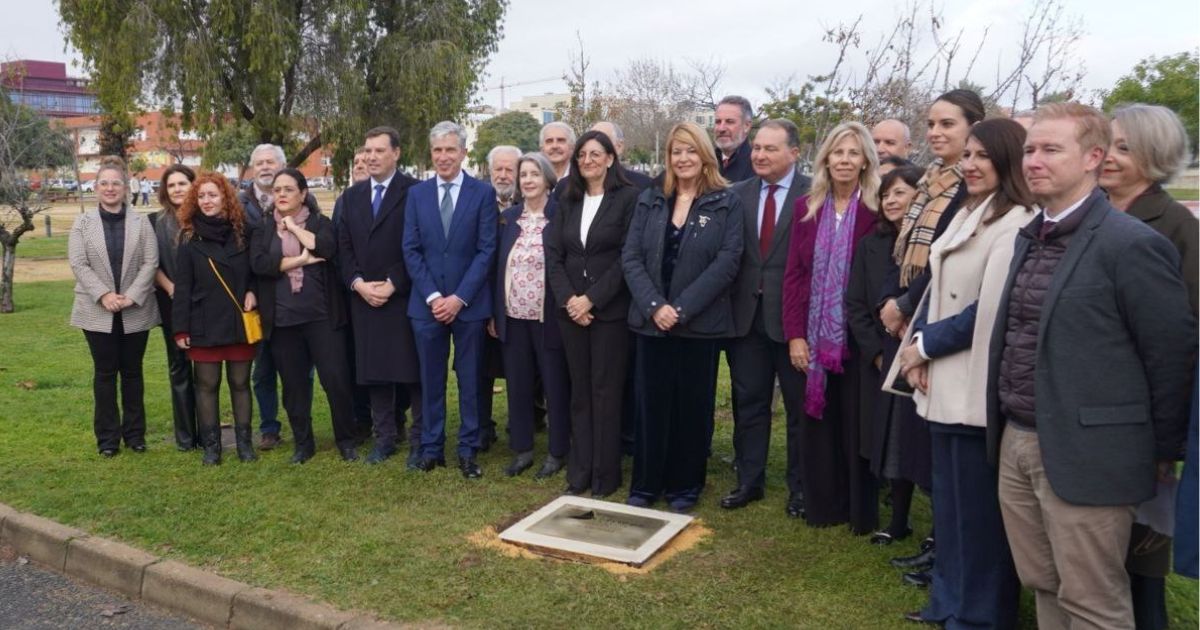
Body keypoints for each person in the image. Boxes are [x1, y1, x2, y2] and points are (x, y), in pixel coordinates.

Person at [988, 103, 1195, 629]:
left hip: (1092, 455)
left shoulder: (1132, 245)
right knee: (1044, 582)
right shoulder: (1030, 235)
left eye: (1051, 149)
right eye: (1031, 148)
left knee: (1093, 600)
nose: (1033, 160)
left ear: (1092, 158)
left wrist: (1160, 453)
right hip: (1017, 437)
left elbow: (1170, 355)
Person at [895, 119, 1033, 628]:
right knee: (950, 510)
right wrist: (919, 353)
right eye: (968, 155)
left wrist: (923, 346)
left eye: (983, 156)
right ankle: (947, 602)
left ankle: (981, 615)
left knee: (977, 516)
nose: (971, 165)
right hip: (940, 382)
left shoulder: (1017, 220)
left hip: (975, 388)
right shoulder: (971, 211)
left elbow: (987, 310)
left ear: (1007, 161)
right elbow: (938, 289)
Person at [1100, 103, 1198, 630]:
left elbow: (1183, 340)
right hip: (1090, 406)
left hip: (1141, 414)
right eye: (1107, 144)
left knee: (1143, 552)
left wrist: (1167, 442)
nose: (1108, 157)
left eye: (1123, 147)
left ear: (1154, 156)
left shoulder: (1175, 226)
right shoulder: (1092, 209)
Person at [622, 121, 743, 512]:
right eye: (677, 151)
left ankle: (684, 486)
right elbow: (632, 257)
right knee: (651, 405)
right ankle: (646, 483)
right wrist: (655, 306)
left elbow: (727, 263)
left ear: (704, 154)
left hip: (699, 326)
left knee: (691, 408)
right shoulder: (651, 198)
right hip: (651, 323)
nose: (683, 158)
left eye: (691, 150)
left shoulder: (726, 202)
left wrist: (682, 308)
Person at [781, 122, 880, 532]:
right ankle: (822, 504)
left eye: (853, 153)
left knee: (856, 423)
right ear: (825, 159)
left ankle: (858, 509)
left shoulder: (876, 211)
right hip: (813, 336)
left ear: (864, 162)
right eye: (838, 152)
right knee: (817, 423)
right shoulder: (808, 208)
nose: (844, 160)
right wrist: (796, 336)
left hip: (859, 337)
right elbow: (794, 276)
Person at [723, 119, 812, 516]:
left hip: (795, 321)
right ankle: (749, 480)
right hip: (746, 318)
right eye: (756, 148)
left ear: (794, 152)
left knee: (798, 407)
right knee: (750, 401)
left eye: (770, 149)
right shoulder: (737, 194)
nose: (759, 155)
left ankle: (801, 487)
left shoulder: (815, 193)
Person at [545, 130, 639, 497]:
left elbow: (627, 257)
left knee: (606, 391)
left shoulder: (629, 198)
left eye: (595, 154)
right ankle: (579, 473)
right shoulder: (566, 197)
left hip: (609, 313)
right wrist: (571, 299)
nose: (588, 160)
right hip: (570, 313)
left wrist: (592, 300)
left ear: (611, 158)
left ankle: (605, 476)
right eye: (582, 154)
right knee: (579, 393)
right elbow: (554, 255)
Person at [402, 121, 497, 479]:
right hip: (426, 306)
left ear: (463, 153)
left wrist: (459, 298)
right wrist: (433, 297)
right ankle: (431, 448)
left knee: (470, 379)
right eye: (438, 150)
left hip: (469, 305)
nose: (443, 157)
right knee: (430, 379)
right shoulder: (417, 195)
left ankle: (468, 449)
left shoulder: (482, 194)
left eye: (450, 150)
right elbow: (411, 250)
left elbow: (487, 250)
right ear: (432, 154)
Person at [249, 168, 359, 463]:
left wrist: (294, 228)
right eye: (277, 190)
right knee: (294, 386)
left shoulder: (320, 223)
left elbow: (324, 247)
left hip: (323, 317)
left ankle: (346, 440)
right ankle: (303, 443)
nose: (281, 195)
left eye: (288, 189)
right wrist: (298, 260)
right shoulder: (262, 228)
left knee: (336, 379)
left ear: (303, 193)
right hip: (283, 320)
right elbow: (260, 263)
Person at [846, 165, 930, 545]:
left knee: (926, 444)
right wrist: (878, 355)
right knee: (893, 440)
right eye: (886, 195)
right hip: (884, 356)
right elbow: (857, 304)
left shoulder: (930, 241)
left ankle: (938, 532)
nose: (893, 201)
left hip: (925, 354)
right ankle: (897, 520)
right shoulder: (873, 243)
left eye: (901, 192)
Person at [339, 127, 422, 465]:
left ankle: (420, 438)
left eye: (378, 151)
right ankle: (384, 437)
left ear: (396, 153)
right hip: (365, 296)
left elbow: (421, 243)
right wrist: (357, 283)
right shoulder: (351, 197)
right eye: (367, 151)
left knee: (412, 371)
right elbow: (343, 247)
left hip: (402, 296)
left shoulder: (416, 192)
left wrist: (393, 282)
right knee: (375, 373)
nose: (371, 157)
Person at [68, 156, 160, 457]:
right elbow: (79, 263)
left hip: (136, 307)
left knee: (133, 373)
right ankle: (108, 439)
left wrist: (132, 295)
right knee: (105, 374)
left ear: (126, 188)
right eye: (104, 183)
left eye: (116, 183)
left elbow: (150, 262)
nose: (110, 188)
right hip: (96, 310)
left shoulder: (142, 222)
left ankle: (135, 435)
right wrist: (104, 294)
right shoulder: (82, 223)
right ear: (96, 188)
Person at [489, 152, 571, 477]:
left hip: (548, 316)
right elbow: (497, 268)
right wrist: (496, 313)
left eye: (534, 174)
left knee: (554, 384)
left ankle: (557, 450)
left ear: (548, 179)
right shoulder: (509, 219)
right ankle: (522, 449)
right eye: (524, 175)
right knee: (518, 385)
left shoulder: (560, 216)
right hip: (513, 316)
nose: (527, 180)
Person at [880, 89, 986, 339]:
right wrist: (889, 300)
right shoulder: (925, 182)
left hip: (940, 315)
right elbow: (901, 250)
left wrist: (905, 304)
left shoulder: (975, 188)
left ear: (975, 128)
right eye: (931, 124)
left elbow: (948, 258)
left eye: (946, 124)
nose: (934, 133)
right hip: (902, 316)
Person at [172, 172, 261, 466]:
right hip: (203, 321)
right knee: (206, 385)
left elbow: (256, 272)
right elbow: (182, 287)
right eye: (201, 196)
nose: (207, 201)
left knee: (240, 382)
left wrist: (252, 291)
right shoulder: (188, 237)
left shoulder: (243, 232)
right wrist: (180, 328)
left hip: (238, 319)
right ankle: (212, 446)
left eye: (213, 195)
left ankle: (245, 444)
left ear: (225, 197)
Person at [239, 143, 317, 450]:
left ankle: (303, 423)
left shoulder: (307, 203)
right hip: (259, 297)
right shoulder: (240, 204)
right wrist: (247, 288)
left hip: (298, 299)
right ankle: (269, 426)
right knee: (263, 369)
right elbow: (240, 253)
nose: (264, 167)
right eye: (259, 163)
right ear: (253, 168)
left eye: (271, 161)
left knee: (301, 369)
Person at [151, 164, 199, 451]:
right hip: (170, 302)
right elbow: (150, 263)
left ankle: (207, 431)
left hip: (204, 305)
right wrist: (170, 287)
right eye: (172, 185)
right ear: (165, 191)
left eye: (183, 183)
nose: (178, 189)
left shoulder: (204, 218)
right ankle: (185, 437)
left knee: (205, 372)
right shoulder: (154, 222)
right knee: (179, 368)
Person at [330, 146, 374, 438]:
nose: (359, 165)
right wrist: (355, 281)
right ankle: (361, 418)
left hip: (386, 291)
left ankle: (392, 417)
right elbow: (338, 246)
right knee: (354, 359)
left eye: (364, 161)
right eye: (355, 161)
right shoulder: (344, 202)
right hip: (351, 293)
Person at [591, 121, 653, 189]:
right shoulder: (580, 186)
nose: (593, 147)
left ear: (619, 146)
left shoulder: (643, 185)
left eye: (601, 141)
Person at [713, 95, 755, 182]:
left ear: (746, 126)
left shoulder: (757, 165)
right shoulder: (705, 162)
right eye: (718, 122)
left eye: (729, 122)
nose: (721, 129)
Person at [488, 145, 521, 210]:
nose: (503, 176)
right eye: (498, 169)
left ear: (519, 172)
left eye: (509, 170)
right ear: (490, 171)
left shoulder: (529, 201)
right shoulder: (476, 200)